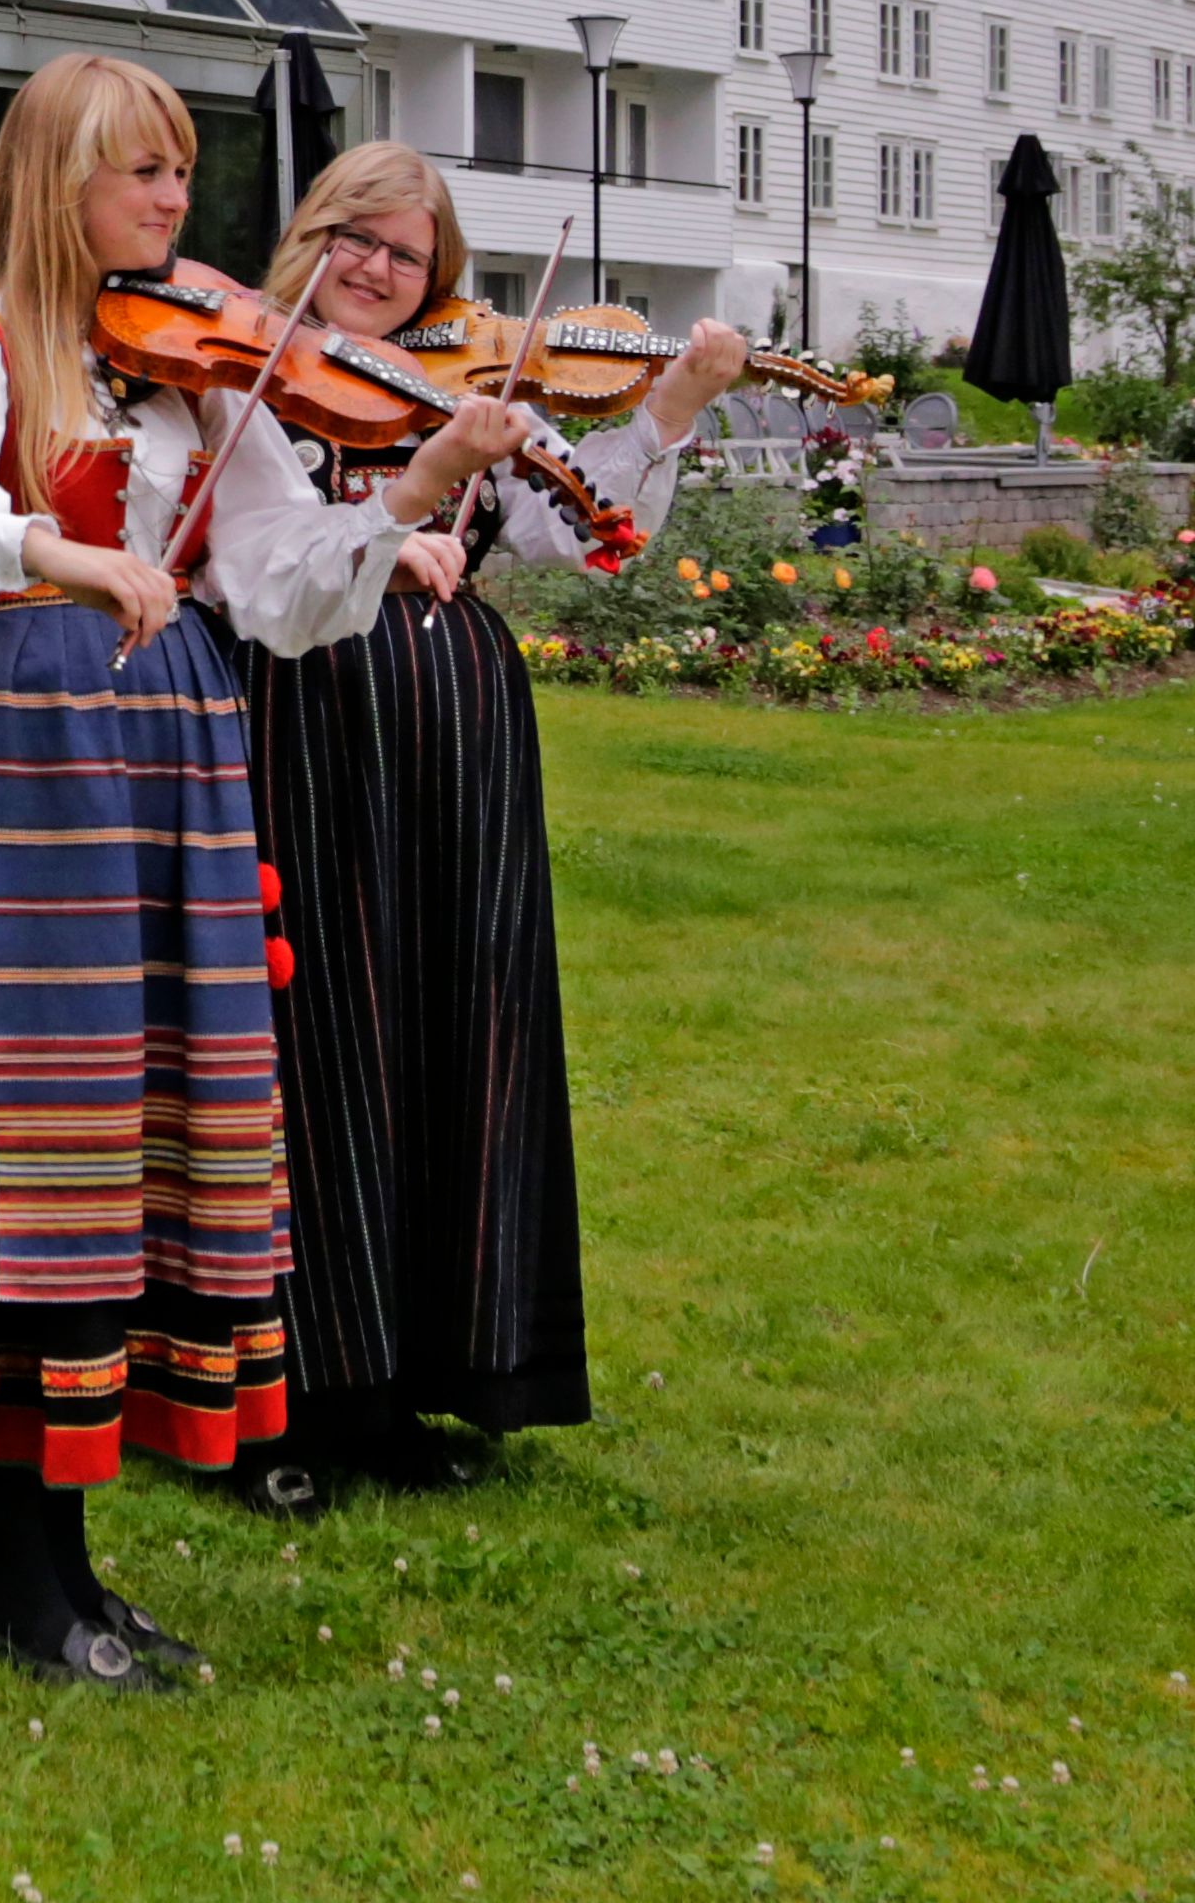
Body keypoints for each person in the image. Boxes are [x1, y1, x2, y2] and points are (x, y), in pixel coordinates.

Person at [0, 56, 532, 1688]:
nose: (172, 205)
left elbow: (272, 580)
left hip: (175, 755)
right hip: (26, 765)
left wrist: (418, 481)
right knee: (24, 1149)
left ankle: (69, 1569)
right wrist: (40, 546)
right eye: (141, 174)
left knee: (131, 1144)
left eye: (183, 176)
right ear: (60, 184)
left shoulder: (195, 380)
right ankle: (23, 1579)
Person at [208, 143, 748, 1512]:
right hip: (306, 734)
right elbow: (246, 559)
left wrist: (674, 404)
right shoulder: (247, 380)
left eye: (409, 255)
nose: (380, 272)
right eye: (359, 242)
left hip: (456, 743)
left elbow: (594, 534)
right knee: (316, 1045)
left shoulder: (468, 383)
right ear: (311, 238)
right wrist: (389, 530)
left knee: (455, 1041)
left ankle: (409, 1383)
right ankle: (280, 1403)